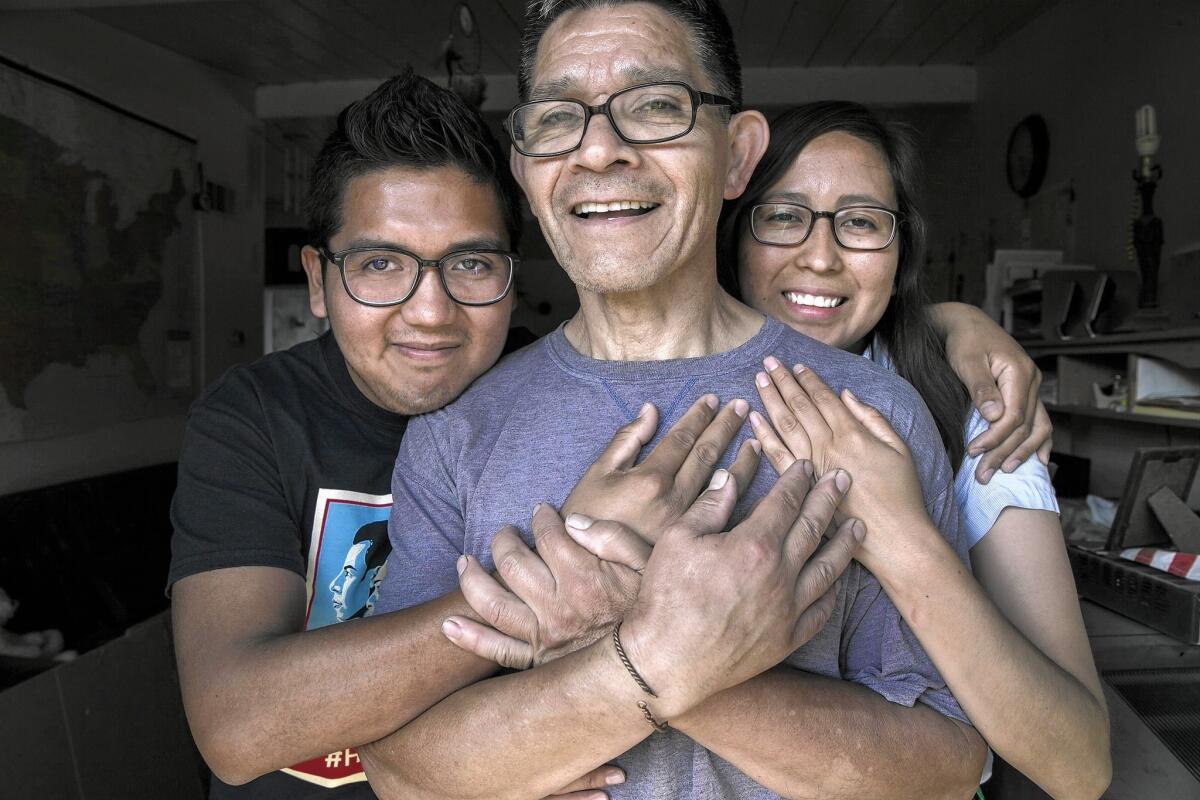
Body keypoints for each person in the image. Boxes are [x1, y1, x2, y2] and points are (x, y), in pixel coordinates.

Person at [360, 2, 992, 798]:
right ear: (526, 171)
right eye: (559, 118)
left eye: (656, 106)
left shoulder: (866, 415)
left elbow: (945, 766)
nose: (599, 150)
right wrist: (656, 656)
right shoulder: (456, 432)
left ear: (737, 155)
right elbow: (400, 773)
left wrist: (622, 640)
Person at [168, 69, 629, 799]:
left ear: (513, 276)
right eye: (381, 265)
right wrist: (537, 592)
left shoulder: (566, 402)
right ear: (318, 281)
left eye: (470, 264)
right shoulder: (252, 416)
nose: (430, 311)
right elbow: (237, 727)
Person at [720, 101, 1110, 799]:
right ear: (731, 239)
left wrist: (898, 534)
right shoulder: (670, 394)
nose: (820, 254)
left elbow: (1079, 765)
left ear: (901, 258)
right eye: (782, 215)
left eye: (862, 222)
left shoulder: (974, 415)